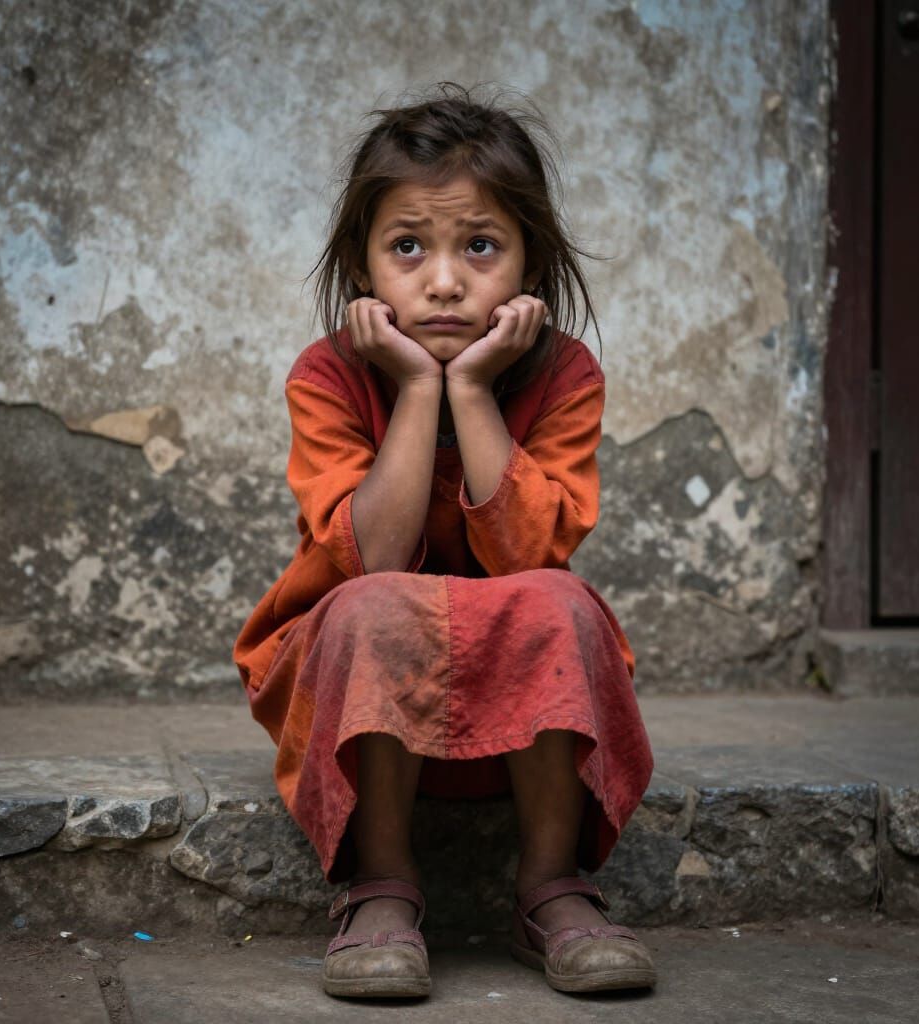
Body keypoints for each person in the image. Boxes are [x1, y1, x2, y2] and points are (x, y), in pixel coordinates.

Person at [233, 83, 656, 1000]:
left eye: (481, 246)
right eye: (408, 247)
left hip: (514, 713)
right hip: (358, 698)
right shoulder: (329, 376)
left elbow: (529, 555)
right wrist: (417, 390)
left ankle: (551, 886)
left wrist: (473, 390)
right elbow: (375, 558)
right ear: (363, 268)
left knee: (559, 599)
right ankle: (381, 883)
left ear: (529, 265)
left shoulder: (565, 375)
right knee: (380, 601)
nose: (444, 280)